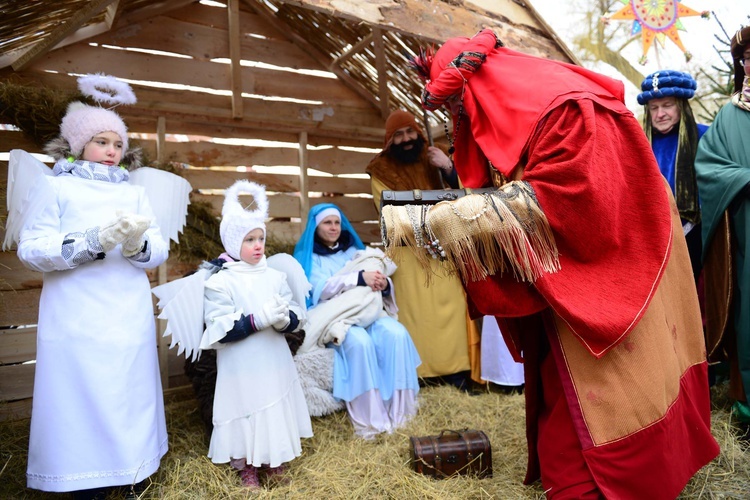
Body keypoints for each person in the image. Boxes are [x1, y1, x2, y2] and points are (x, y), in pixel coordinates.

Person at [399, 29, 719, 499]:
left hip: (619, 265)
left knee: (614, 385)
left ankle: (609, 475)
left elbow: (577, 202)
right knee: (565, 382)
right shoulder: (529, 115)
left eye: (458, 107)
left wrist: (460, 219)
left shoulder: (567, 107)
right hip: (566, 277)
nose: (455, 121)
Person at [14, 75, 169, 498]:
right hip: (77, 313)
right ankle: (83, 481)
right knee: (80, 394)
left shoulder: (134, 193)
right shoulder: (56, 187)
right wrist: (89, 243)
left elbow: (158, 250)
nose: (111, 151)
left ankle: (132, 470)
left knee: (127, 391)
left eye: (117, 145)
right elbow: (31, 248)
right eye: (102, 142)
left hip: (126, 311)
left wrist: (139, 245)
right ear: (79, 144)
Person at [200, 180, 313, 488]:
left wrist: (283, 321)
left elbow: (296, 315)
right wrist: (256, 319)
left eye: (260, 238)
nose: (258, 245)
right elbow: (219, 327)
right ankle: (247, 465)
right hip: (242, 364)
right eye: (249, 239)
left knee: (273, 404)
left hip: (272, 360)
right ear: (233, 244)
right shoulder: (221, 282)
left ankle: (274, 460)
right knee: (248, 407)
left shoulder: (275, 276)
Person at [366, 110, 479, 387]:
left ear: (418, 131)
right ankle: (421, 374)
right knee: (415, 314)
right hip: (409, 253)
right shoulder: (380, 169)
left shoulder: (436, 155)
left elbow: (467, 192)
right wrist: (422, 230)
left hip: (444, 247)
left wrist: (448, 168)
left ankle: (457, 371)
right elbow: (386, 209)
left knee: (452, 309)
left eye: (410, 132)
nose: (406, 139)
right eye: (398, 135)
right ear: (389, 140)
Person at [293, 203, 421, 439]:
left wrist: (383, 285)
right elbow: (319, 291)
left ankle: (402, 413)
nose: (333, 228)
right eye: (327, 223)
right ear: (315, 227)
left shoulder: (354, 252)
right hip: (337, 316)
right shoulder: (308, 257)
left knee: (396, 334)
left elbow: (376, 276)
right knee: (360, 343)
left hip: (367, 311)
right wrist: (359, 278)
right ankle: (371, 420)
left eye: (337, 223)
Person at [694, 25, 750, 428]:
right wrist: (745, 177)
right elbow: (708, 167)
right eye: (748, 58)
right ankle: (747, 407)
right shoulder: (729, 116)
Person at [638, 70, 709, 281]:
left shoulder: (706, 137)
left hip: (696, 235)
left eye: (667, 105)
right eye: (654, 108)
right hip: (650, 237)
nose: (660, 114)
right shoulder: (639, 144)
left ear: (681, 106)